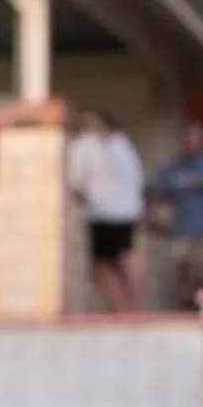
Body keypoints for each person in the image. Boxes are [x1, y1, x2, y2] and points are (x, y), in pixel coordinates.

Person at [150, 119, 203, 314]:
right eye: (188, 137)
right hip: (182, 228)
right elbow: (159, 193)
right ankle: (185, 309)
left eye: (196, 137)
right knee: (183, 271)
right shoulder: (172, 166)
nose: (191, 141)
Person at [65, 106, 144, 312]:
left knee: (101, 265)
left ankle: (120, 307)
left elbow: (75, 182)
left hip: (100, 212)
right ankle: (133, 305)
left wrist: (81, 204)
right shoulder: (123, 144)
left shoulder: (83, 146)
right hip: (127, 211)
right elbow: (137, 177)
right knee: (125, 256)